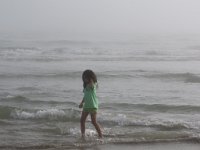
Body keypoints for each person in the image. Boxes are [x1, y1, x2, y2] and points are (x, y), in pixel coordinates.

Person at [79, 69, 102, 138]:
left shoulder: (92, 85)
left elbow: (92, 83)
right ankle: (83, 135)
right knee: (82, 121)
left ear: (90, 78)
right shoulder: (86, 87)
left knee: (94, 122)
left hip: (93, 106)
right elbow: (85, 96)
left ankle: (100, 135)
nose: (85, 79)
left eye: (86, 78)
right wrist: (81, 103)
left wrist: (91, 79)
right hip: (86, 106)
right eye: (84, 78)